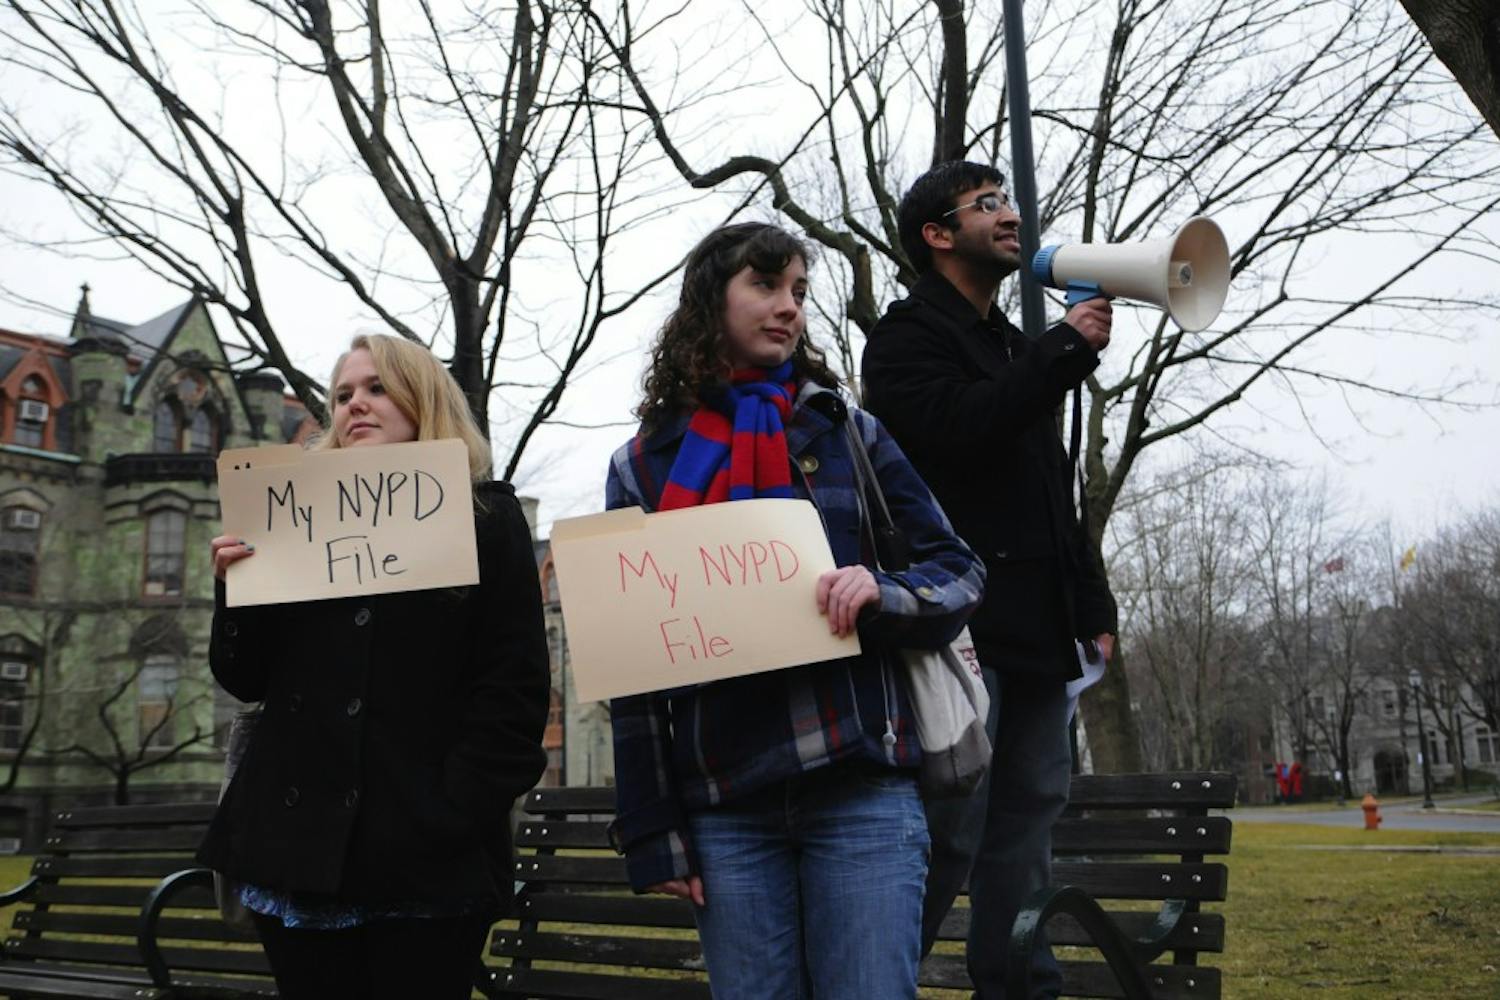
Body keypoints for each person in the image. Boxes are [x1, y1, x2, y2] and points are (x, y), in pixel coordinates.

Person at [605, 221, 985, 999]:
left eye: (801, 293)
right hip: (725, 807)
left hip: (861, 789)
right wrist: (654, 828)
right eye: (766, 286)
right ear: (711, 299)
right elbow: (634, 671)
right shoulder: (640, 465)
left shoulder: (849, 431)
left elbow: (959, 569)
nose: (789, 308)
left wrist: (887, 591)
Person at [198, 334, 551, 1000]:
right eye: (342, 394)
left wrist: (454, 810)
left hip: (427, 857)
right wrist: (233, 589)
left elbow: (514, 689)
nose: (355, 404)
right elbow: (244, 677)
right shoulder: (289, 515)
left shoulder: (486, 520)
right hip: (297, 853)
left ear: (423, 398)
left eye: (376, 387)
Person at [861, 162, 1119, 998]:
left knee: (1029, 823)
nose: (1011, 216)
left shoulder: (1015, 345)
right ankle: (873, 980)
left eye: (1008, 200)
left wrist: (1092, 602)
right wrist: (1063, 351)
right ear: (938, 235)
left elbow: (1051, 485)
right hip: (962, 630)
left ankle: (1018, 985)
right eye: (988, 205)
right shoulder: (904, 339)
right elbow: (957, 431)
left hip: (1042, 629)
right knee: (952, 829)